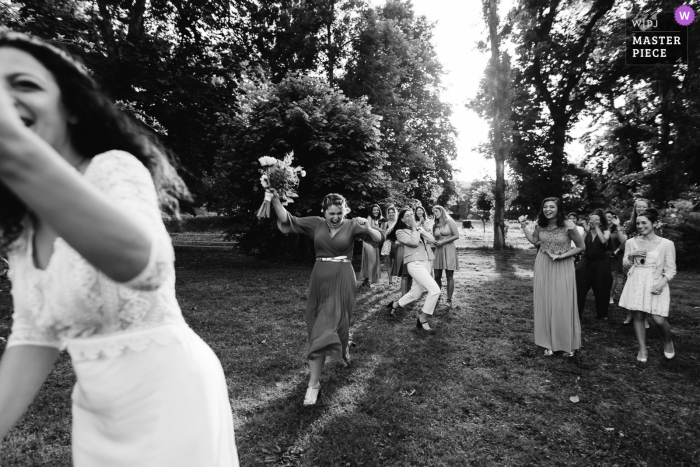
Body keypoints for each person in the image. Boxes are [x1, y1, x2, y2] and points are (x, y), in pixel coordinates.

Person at [0, 32, 238, 465]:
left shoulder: (112, 167)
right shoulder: (21, 228)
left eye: (24, 84)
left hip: (172, 397)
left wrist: (14, 149)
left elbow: (147, 268)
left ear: (70, 108)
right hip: (98, 414)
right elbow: (34, 336)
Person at [270, 191, 384, 405]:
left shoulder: (352, 225)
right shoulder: (316, 224)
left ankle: (313, 384)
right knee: (318, 325)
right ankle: (342, 342)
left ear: (345, 211)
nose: (335, 217)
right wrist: (275, 200)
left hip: (342, 278)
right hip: (319, 279)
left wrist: (368, 227)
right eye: (331, 213)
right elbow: (287, 220)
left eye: (339, 213)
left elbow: (379, 239)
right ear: (324, 211)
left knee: (324, 328)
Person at [521, 198, 585, 357]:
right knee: (546, 302)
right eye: (545, 206)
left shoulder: (568, 225)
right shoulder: (539, 224)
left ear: (558, 208)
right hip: (543, 263)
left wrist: (563, 255)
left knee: (562, 302)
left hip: (563, 265)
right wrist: (524, 227)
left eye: (552, 207)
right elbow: (535, 241)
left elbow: (581, 247)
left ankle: (567, 344)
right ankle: (548, 342)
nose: (548, 209)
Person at [618, 209, 676, 362]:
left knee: (658, 319)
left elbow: (671, 270)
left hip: (656, 283)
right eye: (637, 223)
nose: (640, 226)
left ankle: (668, 341)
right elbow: (625, 265)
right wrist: (631, 255)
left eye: (644, 223)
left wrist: (662, 284)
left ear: (654, 223)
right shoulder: (631, 242)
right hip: (636, 281)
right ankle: (642, 349)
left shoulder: (666, 244)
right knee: (638, 316)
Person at [385, 208, 440, 331]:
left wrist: (422, 230)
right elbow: (414, 243)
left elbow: (433, 240)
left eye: (411, 214)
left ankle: (394, 304)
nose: (411, 216)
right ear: (403, 219)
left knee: (416, 293)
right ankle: (422, 319)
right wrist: (415, 229)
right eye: (407, 215)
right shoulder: (400, 231)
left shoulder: (417, 229)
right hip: (414, 264)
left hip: (426, 262)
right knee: (435, 290)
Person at [575, 209, 613, 320]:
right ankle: (577, 313)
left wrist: (596, 228)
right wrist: (586, 231)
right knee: (579, 287)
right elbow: (581, 246)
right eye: (592, 219)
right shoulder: (586, 232)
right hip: (586, 261)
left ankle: (601, 314)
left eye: (596, 220)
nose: (593, 221)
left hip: (600, 262)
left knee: (601, 288)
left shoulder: (606, 231)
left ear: (601, 222)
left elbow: (603, 241)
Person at [622, 198, 653, 327]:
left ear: (649, 208)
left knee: (645, 290)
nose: (640, 209)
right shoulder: (629, 224)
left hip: (646, 261)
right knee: (630, 289)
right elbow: (624, 241)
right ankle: (630, 314)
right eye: (638, 207)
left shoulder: (653, 223)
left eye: (644, 207)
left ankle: (644, 318)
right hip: (631, 259)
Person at [431, 205, 460, 307]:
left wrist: (444, 241)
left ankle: (449, 300)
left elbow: (456, 235)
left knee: (449, 276)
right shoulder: (435, 224)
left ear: (441, 211)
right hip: (438, 250)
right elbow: (434, 238)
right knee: (437, 276)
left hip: (449, 249)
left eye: (436, 211)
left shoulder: (449, 221)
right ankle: (437, 296)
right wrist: (433, 243)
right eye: (433, 212)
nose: (435, 213)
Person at [358, 204, 383, 288]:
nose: (376, 211)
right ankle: (366, 280)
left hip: (373, 242)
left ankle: (367, 280)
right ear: (371, 211)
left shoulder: (376, 219)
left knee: (372, 260)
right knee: (369, 260)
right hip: (369, 242)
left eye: (377, 210)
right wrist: (381, 230)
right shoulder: (369, 217)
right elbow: (370, 228)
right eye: (374, 210)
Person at [605, 210, 627, 305]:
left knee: (613, 275)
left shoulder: (619, 228)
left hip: (616, 254)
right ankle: (603, 294)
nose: (607, 218)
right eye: (606, 217)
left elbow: (624, 242)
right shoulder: (602, 228)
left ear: (614, 218)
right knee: (604, 275)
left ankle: (611, 295)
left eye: (610, 217)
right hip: (605, 254)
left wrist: (617, 251)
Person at [380, 205, 398, 284]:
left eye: (392, 212)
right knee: (389, 263)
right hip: (388, 243)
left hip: (398, 243)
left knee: (398, 262)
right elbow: (383, 235)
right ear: (387, 214)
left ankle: (400, 278)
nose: (391, 214)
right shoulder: (385, 223)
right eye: (389, 213)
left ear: (395, 213)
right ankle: (390, 281)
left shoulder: (398, 222)